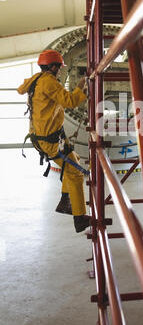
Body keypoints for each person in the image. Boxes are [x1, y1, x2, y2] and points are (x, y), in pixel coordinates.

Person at [17, 49, 91, 233]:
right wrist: (82, 85)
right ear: (52, 67)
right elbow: (71, 101)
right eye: (59, 67)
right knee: (75, 173)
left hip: (46, 136)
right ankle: (79, 218)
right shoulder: (49, 83)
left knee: (75, 160)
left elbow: (21, 89)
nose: (60, 71)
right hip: (49, 140)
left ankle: (66, 200)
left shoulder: (36, 79)